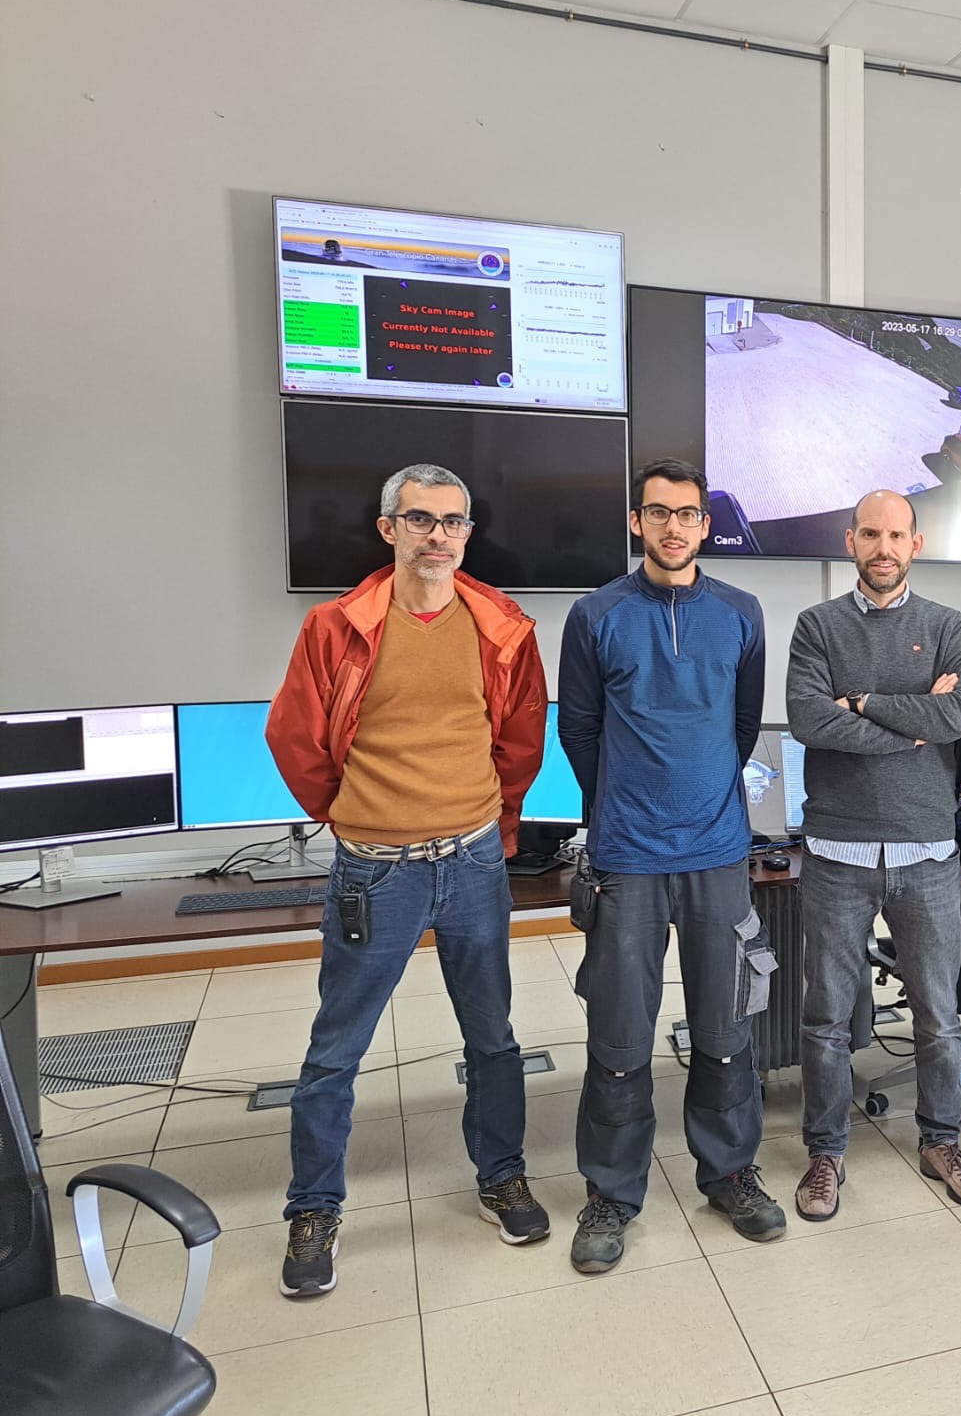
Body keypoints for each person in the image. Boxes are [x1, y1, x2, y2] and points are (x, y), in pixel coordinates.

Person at [267, 463, 549, 1298]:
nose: (439, 536)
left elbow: (519, 743)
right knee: (335, 1051)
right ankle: (313, 1209)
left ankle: (501, 1174)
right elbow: (299, 741)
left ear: (468, 532)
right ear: (388, 529)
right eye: (421, 519)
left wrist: (492, 827)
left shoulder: (502, 625)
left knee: (492, 1038)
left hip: (470, 863)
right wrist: (359, 813)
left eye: (453, 522)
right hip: (373, 872)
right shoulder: (336, 625)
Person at [558, 458, 783, 1272]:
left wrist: (699, 804)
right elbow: (578, 733)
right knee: (618, 1035)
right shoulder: (596, 615)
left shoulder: (741, 612)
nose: (675, 527)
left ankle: (729, 1173)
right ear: (637, 522)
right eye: (659, 513)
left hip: (718, 856)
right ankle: (611, 1193)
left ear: (704, 525)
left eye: (688, 514)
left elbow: (743, 723)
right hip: (629, 861)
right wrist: (621, 805)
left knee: (727, 1028)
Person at [785, 491, 961, 1221]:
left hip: (927, 851)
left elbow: (958, 715)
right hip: (837, 850)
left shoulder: (946, 626)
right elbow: (810, 719)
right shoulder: (817, 626)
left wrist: (861, 703)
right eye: (870, 533)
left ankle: (941, 1139)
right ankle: (825, 1153)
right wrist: (910, 725)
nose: (883, 547)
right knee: (827, 1016)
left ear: (916, 542)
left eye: (896, 534)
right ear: (850, 540)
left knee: (938, 1015)